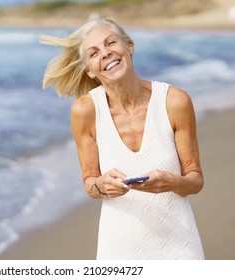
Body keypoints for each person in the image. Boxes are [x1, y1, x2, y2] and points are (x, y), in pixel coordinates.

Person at [40, 18, 204, 260]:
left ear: (129, 46)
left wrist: (173, 183)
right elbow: (90, 182)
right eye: (94, 53)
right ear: (89, 70)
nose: (106, 54)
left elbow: (195, 179)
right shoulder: (85, 111)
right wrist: (102, 186)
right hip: (118, 251)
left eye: (111, 43)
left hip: (179, 247)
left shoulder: (174, 101)